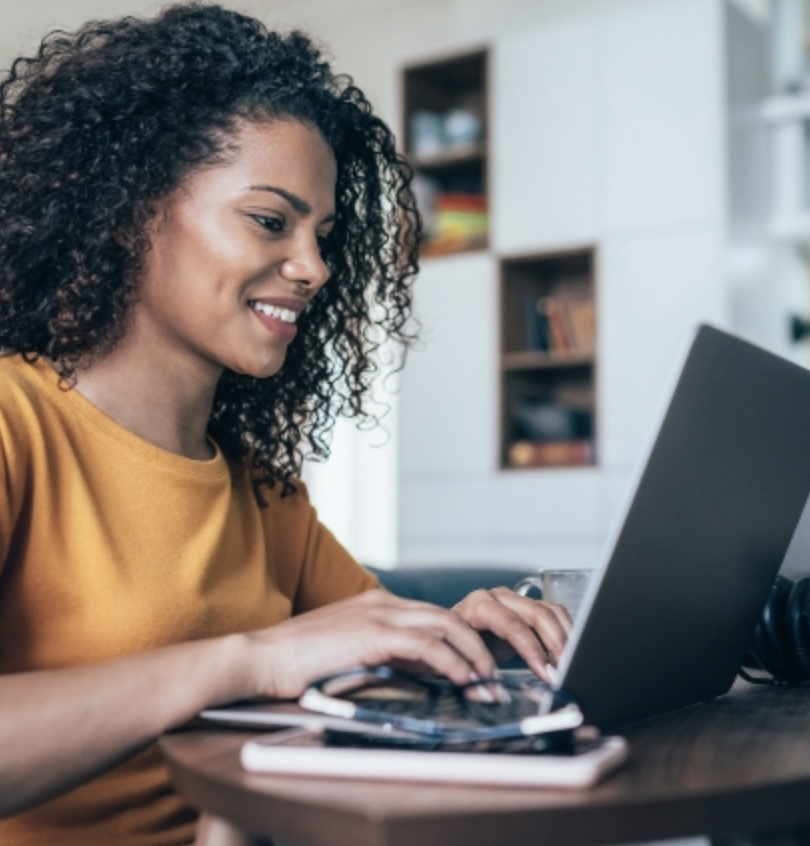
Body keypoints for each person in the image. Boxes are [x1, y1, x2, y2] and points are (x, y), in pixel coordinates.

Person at [0, 5, 571, 844]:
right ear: (129, 212)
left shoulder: (259, 487)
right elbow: (284, 657)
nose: (313, 268)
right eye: (271, 221)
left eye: (324, 234)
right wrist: (251, 659)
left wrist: (463, 632)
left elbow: (376, 657)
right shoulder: (18, 425)